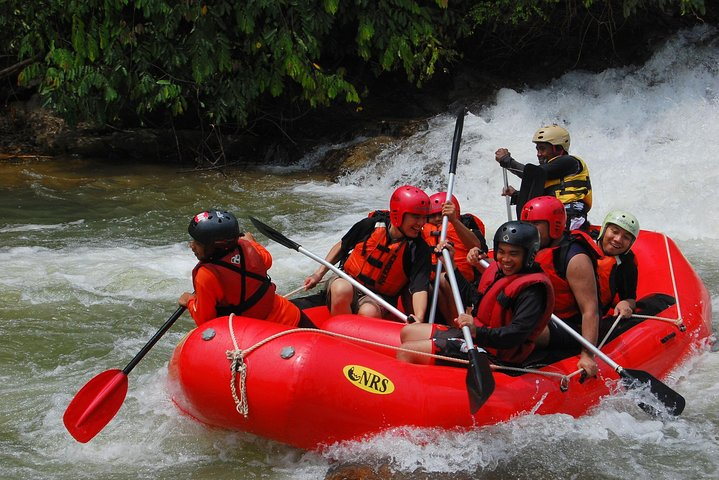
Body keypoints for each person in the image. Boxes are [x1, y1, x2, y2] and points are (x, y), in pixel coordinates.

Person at [397, 221, 553, 366]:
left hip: (498, 354)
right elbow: (473, 298)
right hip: (479, 337)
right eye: (501, 252)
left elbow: (516, 335)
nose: (505, 259)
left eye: (513, 254)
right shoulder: (500, 272)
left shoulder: (533, 291)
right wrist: (450, 265)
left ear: (529, 255)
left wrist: (477, 331)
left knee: (406, 352)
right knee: (408, 332)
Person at [303, 185, 432, 321]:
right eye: (416, 217)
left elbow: (419, 288)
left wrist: (419, 317)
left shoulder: (419, 249)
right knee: (341, 289)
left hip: (380, 297)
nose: (421, 223)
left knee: (369, 312)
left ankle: (353, 335)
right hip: (349, 281)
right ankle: (341, 329)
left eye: (424, 217)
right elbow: (342, 246)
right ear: (398, 214)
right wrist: (318, 274)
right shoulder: (370, 225)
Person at [178, 210, 315, 329]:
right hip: (291, 317)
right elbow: (267, 261)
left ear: (215, 247)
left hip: (261, 332)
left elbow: (205, 320)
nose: (191, 246)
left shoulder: (205, 275)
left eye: (197, 243)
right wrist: (252, 242)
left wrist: (189, 300)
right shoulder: (248, 246)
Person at [520, 196, 603, 377]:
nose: (529, 231)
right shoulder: (531, 247)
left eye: (535, 225)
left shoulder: (575, 258)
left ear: (554, 226)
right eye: (526, 224)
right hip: (541, 314)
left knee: (522, 332)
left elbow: (590, 310)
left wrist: (588, 354)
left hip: (571, 326)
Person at [496, 124, 593, 231]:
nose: (538, 154)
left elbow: (533, 174)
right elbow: (547, 196)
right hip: (552, 217)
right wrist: (515, 194)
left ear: (558, 149)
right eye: (537, 149)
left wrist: (507, 161)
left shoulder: (569, 161)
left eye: (542, 149)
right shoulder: (550, 172)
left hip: (570, 216)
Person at [422, 192, 487, 322]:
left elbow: (477, 246)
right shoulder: (422, 233)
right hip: (437, 289)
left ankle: (456, 326)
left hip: (466, 285)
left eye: (440, 214)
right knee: (431, 283)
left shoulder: (467, 228)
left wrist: (454, 220)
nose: (437, 219)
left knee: (442, 279)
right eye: (432, 216)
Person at [596, 210, 640, 320]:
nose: (618, 239)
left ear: (631, 243)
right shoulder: (581, 247)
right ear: (604, 230)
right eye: (614, 231)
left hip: (595, 317)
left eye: (626, 237)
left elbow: (630, 298)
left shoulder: (627, 263)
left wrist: (626, 304)